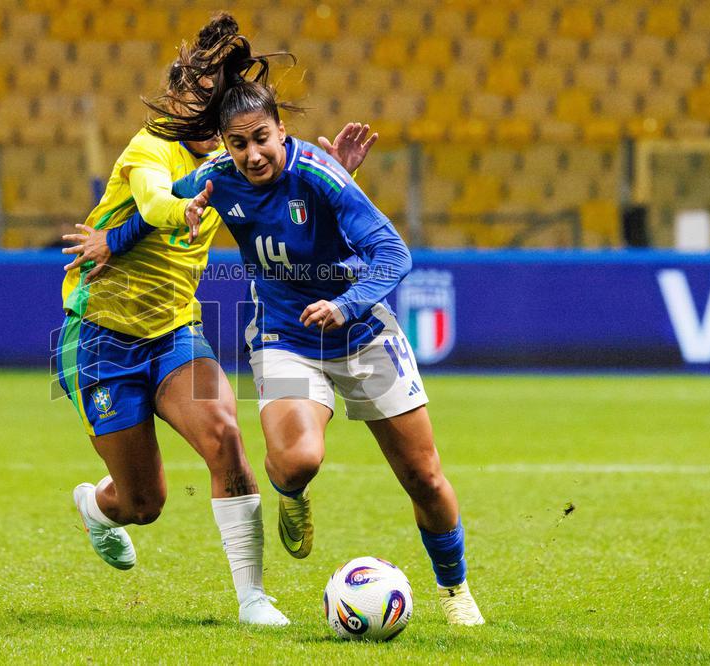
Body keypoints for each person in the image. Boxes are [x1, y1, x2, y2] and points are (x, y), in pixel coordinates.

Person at [105, 34, 485, 626]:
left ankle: (455, 593)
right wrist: (111, 241)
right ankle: (292, 497)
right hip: (286, 336)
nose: (253, 155)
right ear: (226, 146)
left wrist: (348, 303)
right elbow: (162, 211)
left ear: (280, 130)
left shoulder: (322, 175)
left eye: (262, 139)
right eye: (239, 144)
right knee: (298, 460)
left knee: (424, 476)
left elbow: (393, 253)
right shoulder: (218, 177)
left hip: (361, 334)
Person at [55, 13, 374, 626]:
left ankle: (253, 598)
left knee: (225, 438)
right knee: (144, 503)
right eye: (192, 93)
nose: (200, 108)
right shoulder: (150, 147)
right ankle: (98, 507)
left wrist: (339, 179)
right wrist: (173, 215)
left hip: (175, 332)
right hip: (101, 336)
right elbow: (154, 201)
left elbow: (288, 205)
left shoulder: (235, 162)